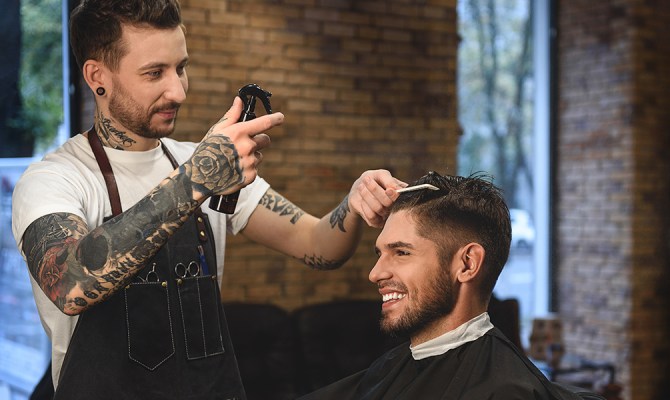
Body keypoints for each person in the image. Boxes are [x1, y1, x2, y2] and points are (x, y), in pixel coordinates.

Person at [10, 0, 405, 399]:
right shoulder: (55, 179)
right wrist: (197, 178)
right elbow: (70, 282)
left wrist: (353, 203)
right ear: (97, 76)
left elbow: (319, 245)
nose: (178, 90)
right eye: (154, 73)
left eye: (181, 67)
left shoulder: (202, 162)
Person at [299, 171, 595, 400]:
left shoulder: (504, 390)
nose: (375, 274)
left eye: (401, 252)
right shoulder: (396, 365)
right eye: (380, 254)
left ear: (467, 264)